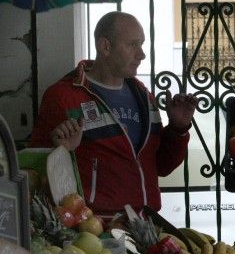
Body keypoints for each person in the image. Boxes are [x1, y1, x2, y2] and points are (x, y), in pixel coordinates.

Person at [30, 11, 197, 221]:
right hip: (93, 230)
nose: (142, 54)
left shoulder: (144, 96)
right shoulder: (63, 97)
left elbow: (161, 167)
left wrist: (177, 129)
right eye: (133, 45)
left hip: (145, 225)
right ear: (105, 46)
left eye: (142, 44)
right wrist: (63, 150)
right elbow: (37, 173)